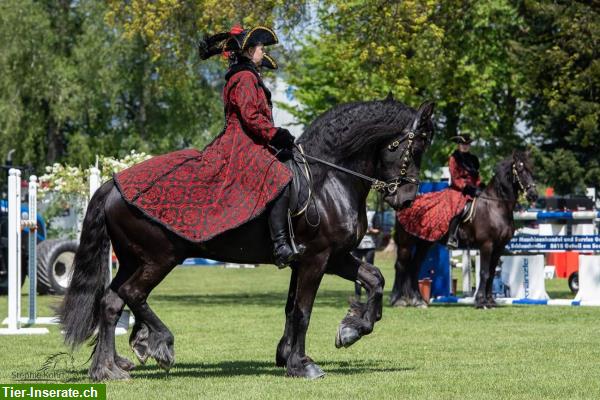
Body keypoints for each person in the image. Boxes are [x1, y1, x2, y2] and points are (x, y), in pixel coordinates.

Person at [199, 25, 304, 267]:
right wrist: (277, 135)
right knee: (279, 175)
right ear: (249, 50)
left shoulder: (245, 76)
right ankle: (279, 244)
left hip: (249, 139)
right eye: (260, 47)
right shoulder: (244, 77)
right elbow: (251, 117)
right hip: (242, 142)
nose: (263, 50)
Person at [446, 133, 482, 248]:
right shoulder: (453, 158)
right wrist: (467, 188)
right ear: (458, 145)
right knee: (459, 208)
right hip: (458, 190)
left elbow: (477, 176)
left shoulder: (473, 159)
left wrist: (479, 186)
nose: (465, 146)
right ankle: (452, 237)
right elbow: (455, 178)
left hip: (473, 189)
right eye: (462, 144)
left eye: (467, 144)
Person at [351, 209, 380, 299]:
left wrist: (370, 230)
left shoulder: (373, 214)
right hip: (356, 246)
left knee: (369, 271)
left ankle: (369, 292)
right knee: (355, 271)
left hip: (369, 246)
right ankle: (357, 294)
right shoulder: (354, 212)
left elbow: (378, 230)